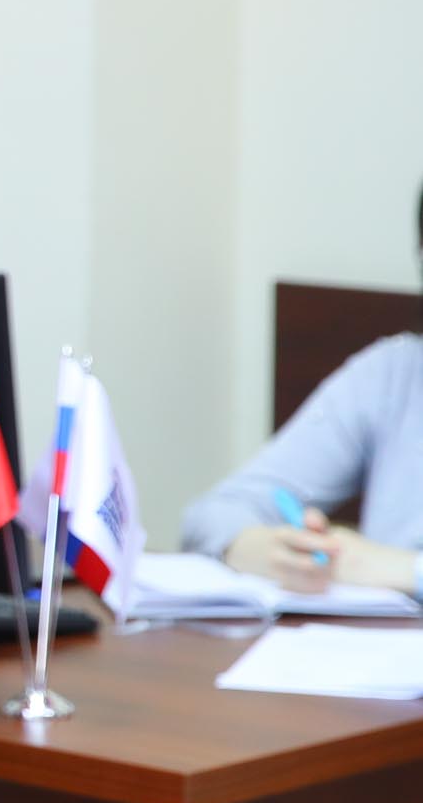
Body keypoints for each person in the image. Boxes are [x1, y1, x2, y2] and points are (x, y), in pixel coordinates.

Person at [179, 184, 423, 601]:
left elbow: (375, 567)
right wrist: (265, 549)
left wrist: (402, 569)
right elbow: (214, 514)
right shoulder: (394, 373)